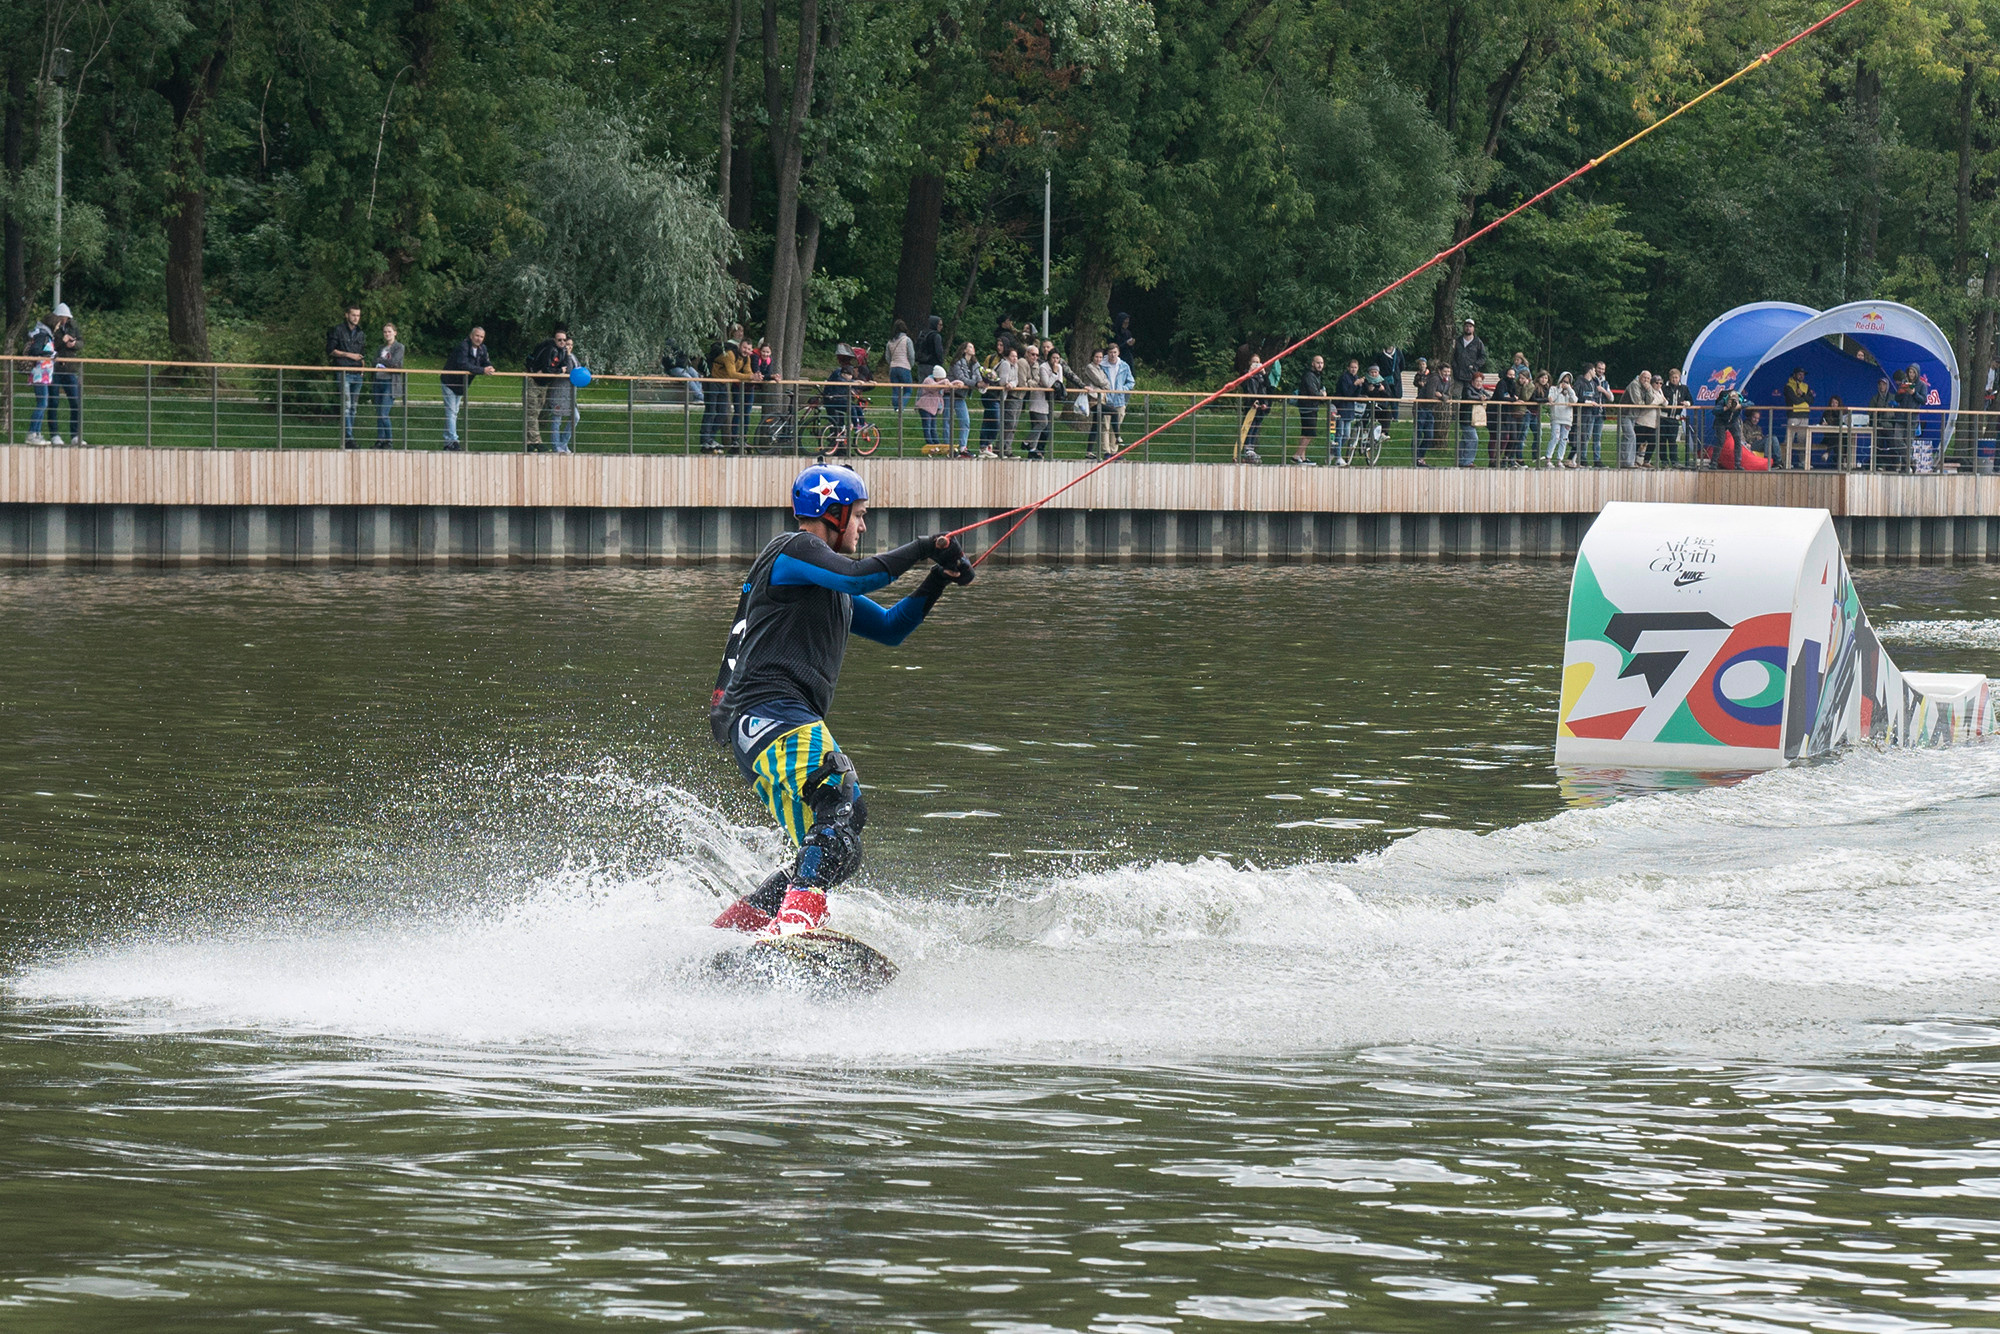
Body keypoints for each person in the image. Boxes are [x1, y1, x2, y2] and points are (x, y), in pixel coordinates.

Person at [707, 465, 975, 939]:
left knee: (832, 846)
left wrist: (938, 578)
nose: (864, 527)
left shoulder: (829, 587)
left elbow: (892, 628)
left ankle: (735, 931)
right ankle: (795, 929)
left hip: (759, 730)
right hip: (772, 713)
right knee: (843, 807)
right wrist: (924, 545)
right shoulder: (793, 550)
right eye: (861, 515)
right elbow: (858, 577)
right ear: (833, 514)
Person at [440, 326, 495, 450]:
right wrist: (482, 370)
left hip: (461, 385)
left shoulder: (483, 349)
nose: (479, 339)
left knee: (454, 412)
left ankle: (448, 441)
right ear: (471, 336)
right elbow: (463, 364)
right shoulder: (463, 346)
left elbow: (485, 361)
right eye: (477, 336)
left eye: (481, 337)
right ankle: (453, 441)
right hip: (449, 381)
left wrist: (490, 367)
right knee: (451, 412)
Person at [523, 325, 568, 451]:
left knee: (535, 412)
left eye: (564, 340)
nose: (562, 342)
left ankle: (528, 443)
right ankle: (536, 441)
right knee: (531, 412)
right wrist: (559, 370)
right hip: (534, 382)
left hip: (543, 384)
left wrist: (559, 369)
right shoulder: (550, 349)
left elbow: (563, 366)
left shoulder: (563, 351)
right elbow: (547, 368)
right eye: (559, 340)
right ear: (554, 340)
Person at [326, 303, 365, 448]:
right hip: (344, 372)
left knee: (354, 407)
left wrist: (363, 368)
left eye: (358, 315)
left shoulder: (361, 333)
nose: (356, 318)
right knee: (347, 405)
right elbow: (330, 350)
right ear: (347, 315)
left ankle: (348, 436)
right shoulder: (338, 330)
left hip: (357, 374)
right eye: (353, 315)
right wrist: (349, 355)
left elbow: (362, 354)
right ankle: (348, 438)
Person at [23, 311, 55, 445]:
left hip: (44, 374)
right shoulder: (42, 334)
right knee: (42, 404)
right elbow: (35, 351)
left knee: (43, 404)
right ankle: (32, 433)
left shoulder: (46, 334)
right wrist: (47, 353)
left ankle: (37, 433)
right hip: (40, 374)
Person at [548, 330, 581, 454]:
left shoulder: (573, 356)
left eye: (571, 345)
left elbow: (577, 369)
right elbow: (568, 370)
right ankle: (556, 446)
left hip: (570, 394)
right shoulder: (561, 354)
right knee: (557, 419)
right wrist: (567, 354)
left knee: (575, 417)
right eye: (567, 344)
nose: (569, 347)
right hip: (559, 392)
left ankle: (563, 443)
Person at [372, 322, 405, 448]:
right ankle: (380, 440)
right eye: (385, 332)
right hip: (378, 381)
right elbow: (374, 361)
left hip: (390, 383)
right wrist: (384, 363)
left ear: (395, 333)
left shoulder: (399, 347)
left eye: (389, 331)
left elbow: (394, 362)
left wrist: (381, 361)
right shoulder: (381, 348)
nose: (387, 334)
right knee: (379, 412)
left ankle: (389, 440)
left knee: (384, 413)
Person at [1293, 354, 1326, 465]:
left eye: (1321, 363)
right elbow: (1313, 393)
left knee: (1305, 432)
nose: (1320, 365)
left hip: (1310, 407)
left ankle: (1302, 457)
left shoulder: (1316, 375)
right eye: (1318, 363)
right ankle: (1297, 455)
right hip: (1308, 407)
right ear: (1313, 363)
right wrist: (1322, 395)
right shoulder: (1309, 375)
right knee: (1311, 433)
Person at [1080, 349, 1113, 460]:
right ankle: (1118, 436)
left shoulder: (1100, 368)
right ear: (1092, 357)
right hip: (1094, 400)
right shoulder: (1090, 367)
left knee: (1096, 426)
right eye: (1096, 357)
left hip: (1101, 399)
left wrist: (1104, 384)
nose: (1098, 359)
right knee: (1113, 412)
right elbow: (1100, 381)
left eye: (1100, 357)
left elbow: (1106, 382)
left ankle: (1089, 451)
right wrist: (1104, 384)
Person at [1102, 342, 1134, 455]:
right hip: (1107, 399)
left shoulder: (1124, 366)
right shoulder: (1102, 365)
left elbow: (1131, 382)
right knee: (1105, 426)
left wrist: (1122, 389)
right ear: (1107, 353)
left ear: (1118, 353)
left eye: (1115, 352)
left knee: (1116, 426)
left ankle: (1114, 451)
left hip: (1120, 400)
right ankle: (1106, 451)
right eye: (1110, 353)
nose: (1113, 355)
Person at [1417, 362, 1451, 466]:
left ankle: (1420, 457)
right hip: (1422, 408)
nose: (1447, 374)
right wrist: (1441, 397)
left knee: (1429, 435)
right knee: (1418, 434)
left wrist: (1441, 396)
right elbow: (1430, 395)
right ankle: (1416, 459)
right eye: (1445, 371)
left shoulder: (1447, 381)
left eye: (1448, 372)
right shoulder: (1435, 378)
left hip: (1430, 409)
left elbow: (1448, 395)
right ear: (1440, 371)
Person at [1021, 345, 1052, 460]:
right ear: (1027, 354)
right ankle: (1026, 442)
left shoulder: (1037, 365)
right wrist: (1035, 383)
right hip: (1036, 398)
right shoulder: (1026, 363)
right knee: (1042, 423)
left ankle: (1032, 448)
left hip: (1043, 398)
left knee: (1039, 425)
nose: (1035, 357)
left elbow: (1038, 381)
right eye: (1033, 354)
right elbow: (1030, 381)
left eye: (1036, 355)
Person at [948, 342, 980, 455]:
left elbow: (978, 375)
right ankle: (949, 448)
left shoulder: (975, 364)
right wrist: (976, 384)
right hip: (950, 394)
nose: (973, 348)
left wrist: (980, 382)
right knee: (948, 421)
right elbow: (960, 377)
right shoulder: (957, 363)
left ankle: (963, 447)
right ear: (965, 350)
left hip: (960, 396)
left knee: (965, 421)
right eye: (970, 347)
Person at [1333, 358, 1364, 465]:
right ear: (1348, 368)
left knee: (1346, 435)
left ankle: (1334, 451)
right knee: (1339, 433)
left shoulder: (1356, 378)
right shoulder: (1344, 378)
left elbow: (1354, 396)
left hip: (1349, 409)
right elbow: (1346, 393)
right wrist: (1355, 384)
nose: (1353, 369)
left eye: (1355, 368)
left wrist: (1359, 386)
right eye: (1352, 367)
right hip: (1341, 407)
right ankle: (1338, 456)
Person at [1627, 370, 1661, 466]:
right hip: (1633, 416)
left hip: (1649, 421)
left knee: (1652, 441)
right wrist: (1650, 404)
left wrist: (1648, 391)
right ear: (1640, 377)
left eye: (1648, 378)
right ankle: (1631, 461)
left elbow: (1652, 401)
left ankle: (1644, 461)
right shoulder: (1635, 384)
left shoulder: (1649, 388)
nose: (1659, 385)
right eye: (1657, 382)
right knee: (1634, 439)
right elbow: (1639, 402)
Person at [1576, 362, 1606, 467]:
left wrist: (1595, 402)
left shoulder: (1593, 383)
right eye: (1594, 370)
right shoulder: (1580, 382)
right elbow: (1577, 397)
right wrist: (1588, 402)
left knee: (1593, 436)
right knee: (1584, 436)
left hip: (1593, 413)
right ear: (1590, 370)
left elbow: (1596, 396)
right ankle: (1582, 458)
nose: (1595, 372)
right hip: (1583, 413)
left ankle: (1594, 460)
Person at [1782, 366, 1813, 470]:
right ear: (1794, 374)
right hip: (1793, 415)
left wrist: (1802, 395)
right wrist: (1804, 399)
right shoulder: (1788, 386)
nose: (1801, 376)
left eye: (1803, 374)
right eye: (1799, 374)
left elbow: (1811, 400)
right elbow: (1794, 400)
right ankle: (1786, 462)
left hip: (1805, 415)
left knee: (1803, 440)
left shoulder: (1806, 386)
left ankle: (1802, 461)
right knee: (1789, 440)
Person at [1660, 367, 1692, 467]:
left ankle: (1674, 461)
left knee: (1673, 441)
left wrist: (1687, 403)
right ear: (1669, 378)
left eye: (1676, 377)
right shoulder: (1664, 388)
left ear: (1679, 378)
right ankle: (1664, 461)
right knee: (1662, 440)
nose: (1674, 379)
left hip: (1675, 419)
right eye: (1673, 377)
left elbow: (1690, 400)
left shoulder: (1684, 388)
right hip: (1664, 418)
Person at [1545, 371, 1578, 466]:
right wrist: (1559, 389)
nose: (1565, 384)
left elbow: (1575, 400)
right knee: (1555, 437)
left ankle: (1560, 459)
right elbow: (1551, 398)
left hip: (1567, 418)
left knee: (1564, 439)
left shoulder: (1570, 392)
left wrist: (1569, 389)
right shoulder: (1554, 389)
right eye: (1563, 381)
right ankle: (1548, 458)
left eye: (1567, 382)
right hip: (1556, 417)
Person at [885, 319, 915, 410]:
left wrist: (892, 363)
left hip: (893, 367)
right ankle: (901, 407)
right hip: (904, 367)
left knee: (895, 390)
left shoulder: (890, 342)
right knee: (908, 390)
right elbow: (911, 355)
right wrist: (911, 365)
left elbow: (887, 357)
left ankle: (895, 409)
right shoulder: (907, 340)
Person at [916, 365, 947, 450]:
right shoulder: (928, 380)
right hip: (925, 407)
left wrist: (957, 382)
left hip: (933, 408)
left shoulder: (940, 382)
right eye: (940, 379)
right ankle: (930, 444)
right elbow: (933, 387)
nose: (941, 381)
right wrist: (943, 382)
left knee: (933, 426)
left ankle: (936, 443)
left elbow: (947, 386)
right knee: (927, 426)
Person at [1450, 318, 1487, 387]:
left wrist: (1475, 366)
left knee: (1470, 395)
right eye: (1466, 326)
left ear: (1473, 328)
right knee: (1456, 395)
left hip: (1471, 375)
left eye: (1470, 326)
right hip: (1458, 375)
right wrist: (1455, 367)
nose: (1468, 328)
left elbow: (1483, 357)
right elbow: (1452, 355)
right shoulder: (1457, 341)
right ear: (1464, 327)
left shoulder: (1478, 342)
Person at [915, 314, 946, 382]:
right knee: (932, 386)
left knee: (922, 385)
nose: (941, 327)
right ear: (934, 324)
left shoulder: (922, 333)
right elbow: (939, 351)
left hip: (921, 364)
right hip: (932, 365)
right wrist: (941, 362)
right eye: (939, 325)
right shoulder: (936, 336)